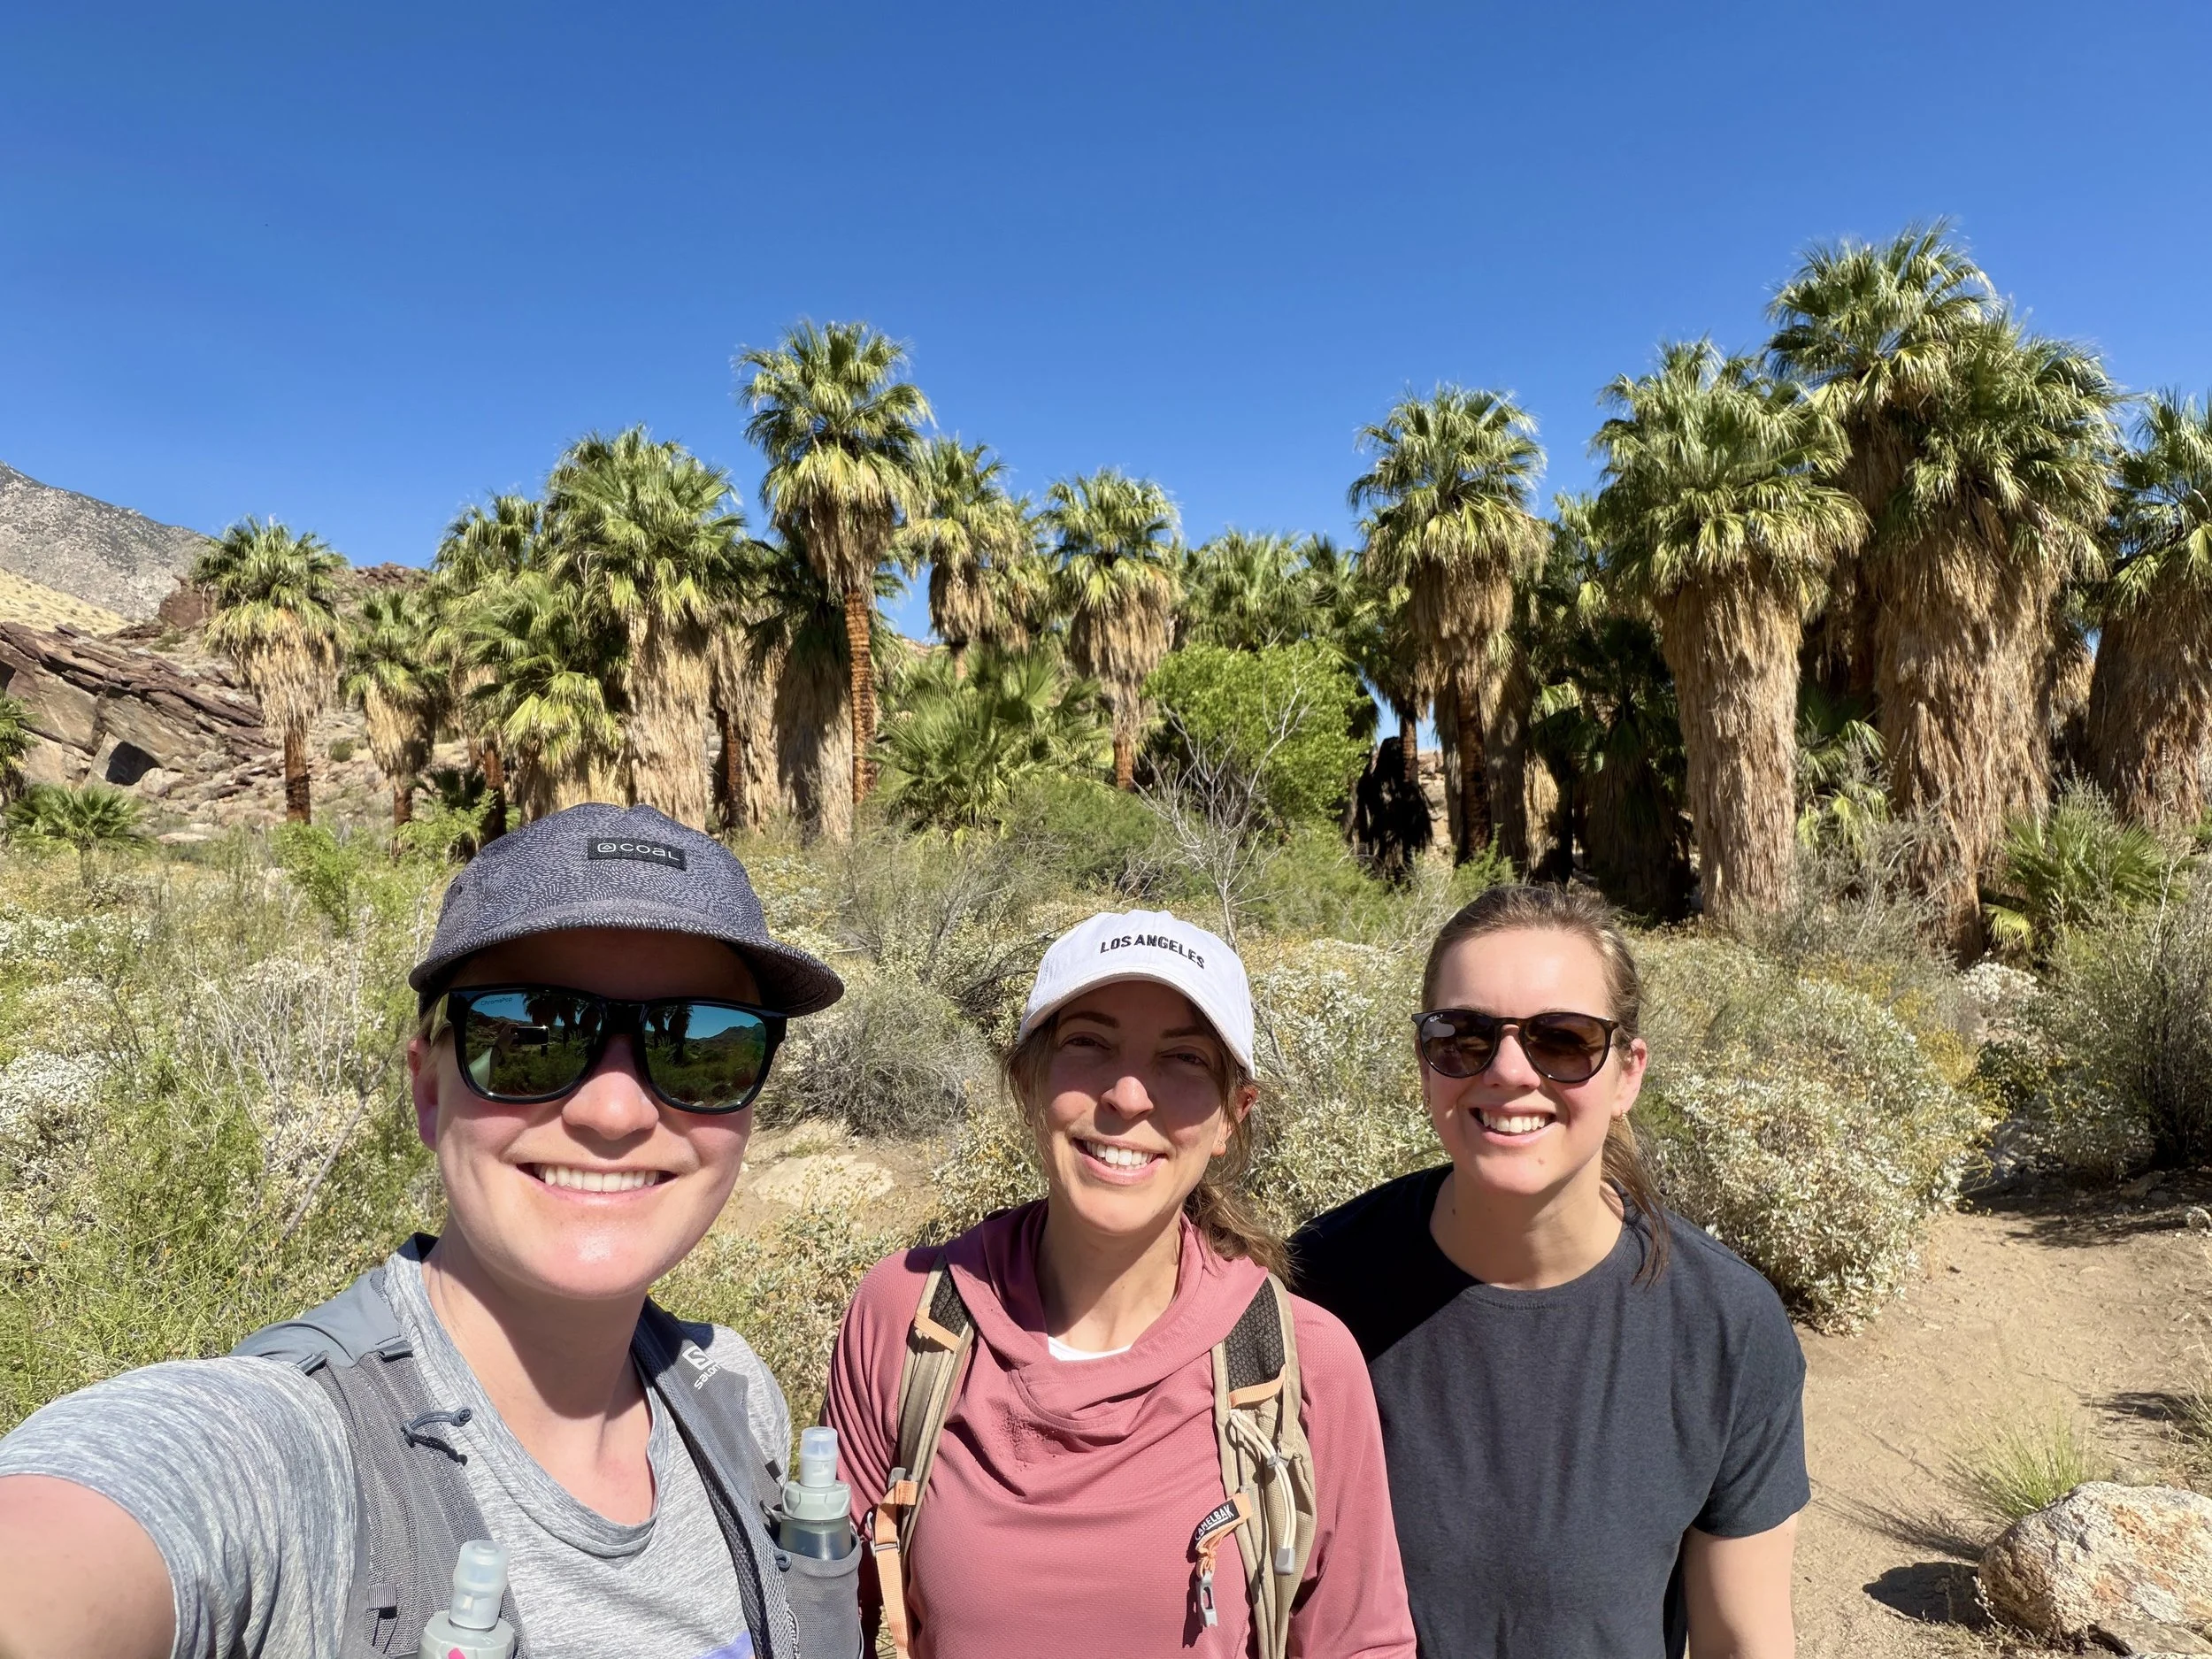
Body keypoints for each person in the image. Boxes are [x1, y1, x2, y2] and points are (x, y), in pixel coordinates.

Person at [0, 803, 860, 1659]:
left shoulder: (731, 1395)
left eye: (700, 1042)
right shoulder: (287, 1449)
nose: (614, 1110)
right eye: (528, 1036)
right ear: (427, 1091)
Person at [824, 910, 1417, 1659]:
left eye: (1185, 1058)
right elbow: (821, 1617)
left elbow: (1360, 1644)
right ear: (1029, 1080)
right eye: (1089, 1043)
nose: (1129, 1095)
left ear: (1232, 1116)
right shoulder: (909, 1319)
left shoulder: (1300, 1364)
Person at [1293, 886, 1807, 1659]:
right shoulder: (1315, 1290)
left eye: (1562, 1040)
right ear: (1426, 1064)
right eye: (1463, 1036)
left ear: (1627, 1073)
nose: (1508, 1070)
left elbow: (1744, 1641)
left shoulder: (1723, 1327)